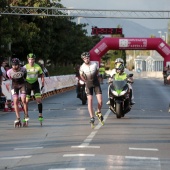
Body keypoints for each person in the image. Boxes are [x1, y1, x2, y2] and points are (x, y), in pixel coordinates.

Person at [79, 52, 104, 126]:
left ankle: (98, 112)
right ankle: (92, 117)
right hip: (88, 84)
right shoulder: (82, 67)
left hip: (96, 83)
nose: (86, 59)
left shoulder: (94, 64)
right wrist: (85, 81)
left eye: (87, 58)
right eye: (85, 58)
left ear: (89, 58)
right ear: (83, 59)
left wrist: (98, 78)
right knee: (90, 100)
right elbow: (81, 75)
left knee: (100, 100)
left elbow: (97, 71)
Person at [7, 58, 28, 126]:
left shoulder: (23, 70)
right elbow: (10, 78)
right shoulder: (9, 72)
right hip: (14, 86)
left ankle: (25, 116)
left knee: (23, 100)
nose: (14, 67)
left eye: (16, 65)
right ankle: (18, 117)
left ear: (19, 65)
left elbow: (25, 77)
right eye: (13, 65)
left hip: (22, 85)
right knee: (15, 101)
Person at [24, 53, 44, 122]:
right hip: (27, 84)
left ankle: (40, 115)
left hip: (35, 84)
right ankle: (26, 115)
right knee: (26, 101)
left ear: (34, 60)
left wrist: (43, 84)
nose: (31, 61)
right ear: (27, 60)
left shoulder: (38, 67)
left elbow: (42, 75)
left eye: (32, 59)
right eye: (29, 59)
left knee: (38, 100)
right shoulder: (25, 67)